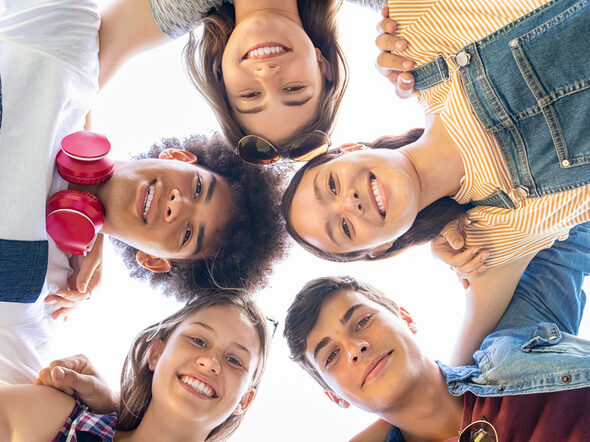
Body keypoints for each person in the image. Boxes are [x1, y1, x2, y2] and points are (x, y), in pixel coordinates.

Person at [281, 0, 590, 362]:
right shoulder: (491, 237)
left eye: (331, 185)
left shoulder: (419, 38)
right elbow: (455, 375)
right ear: (382, 248)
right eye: (345, 228)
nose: (350, 203)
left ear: (349, 148)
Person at [0, 0, 287, 384]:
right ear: (178, 157)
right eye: (199, 187)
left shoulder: (40, 301)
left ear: (154, 259)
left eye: (188, 234)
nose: (177, 205)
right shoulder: (67, 62)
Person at [283, 222, 590, 441]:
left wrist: (460, 219)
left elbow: (569, 217)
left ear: (405, 317)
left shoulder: (515, 341)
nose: (354, 348)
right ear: (335, 396)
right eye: (332, 356)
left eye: (362, 321)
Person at [97, 0, 413, 155]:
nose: (267, 75)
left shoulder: (180, 7)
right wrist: (420, 43)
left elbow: (79, 69)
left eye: (249, 96)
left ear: (222, 76)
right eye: (294, 88)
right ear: (323, 64)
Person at [0, 291, 271, 442]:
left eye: (234, 360)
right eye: (198, 340)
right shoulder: (54, 417)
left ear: (244, 402)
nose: (209, 362)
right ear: (156, 353)